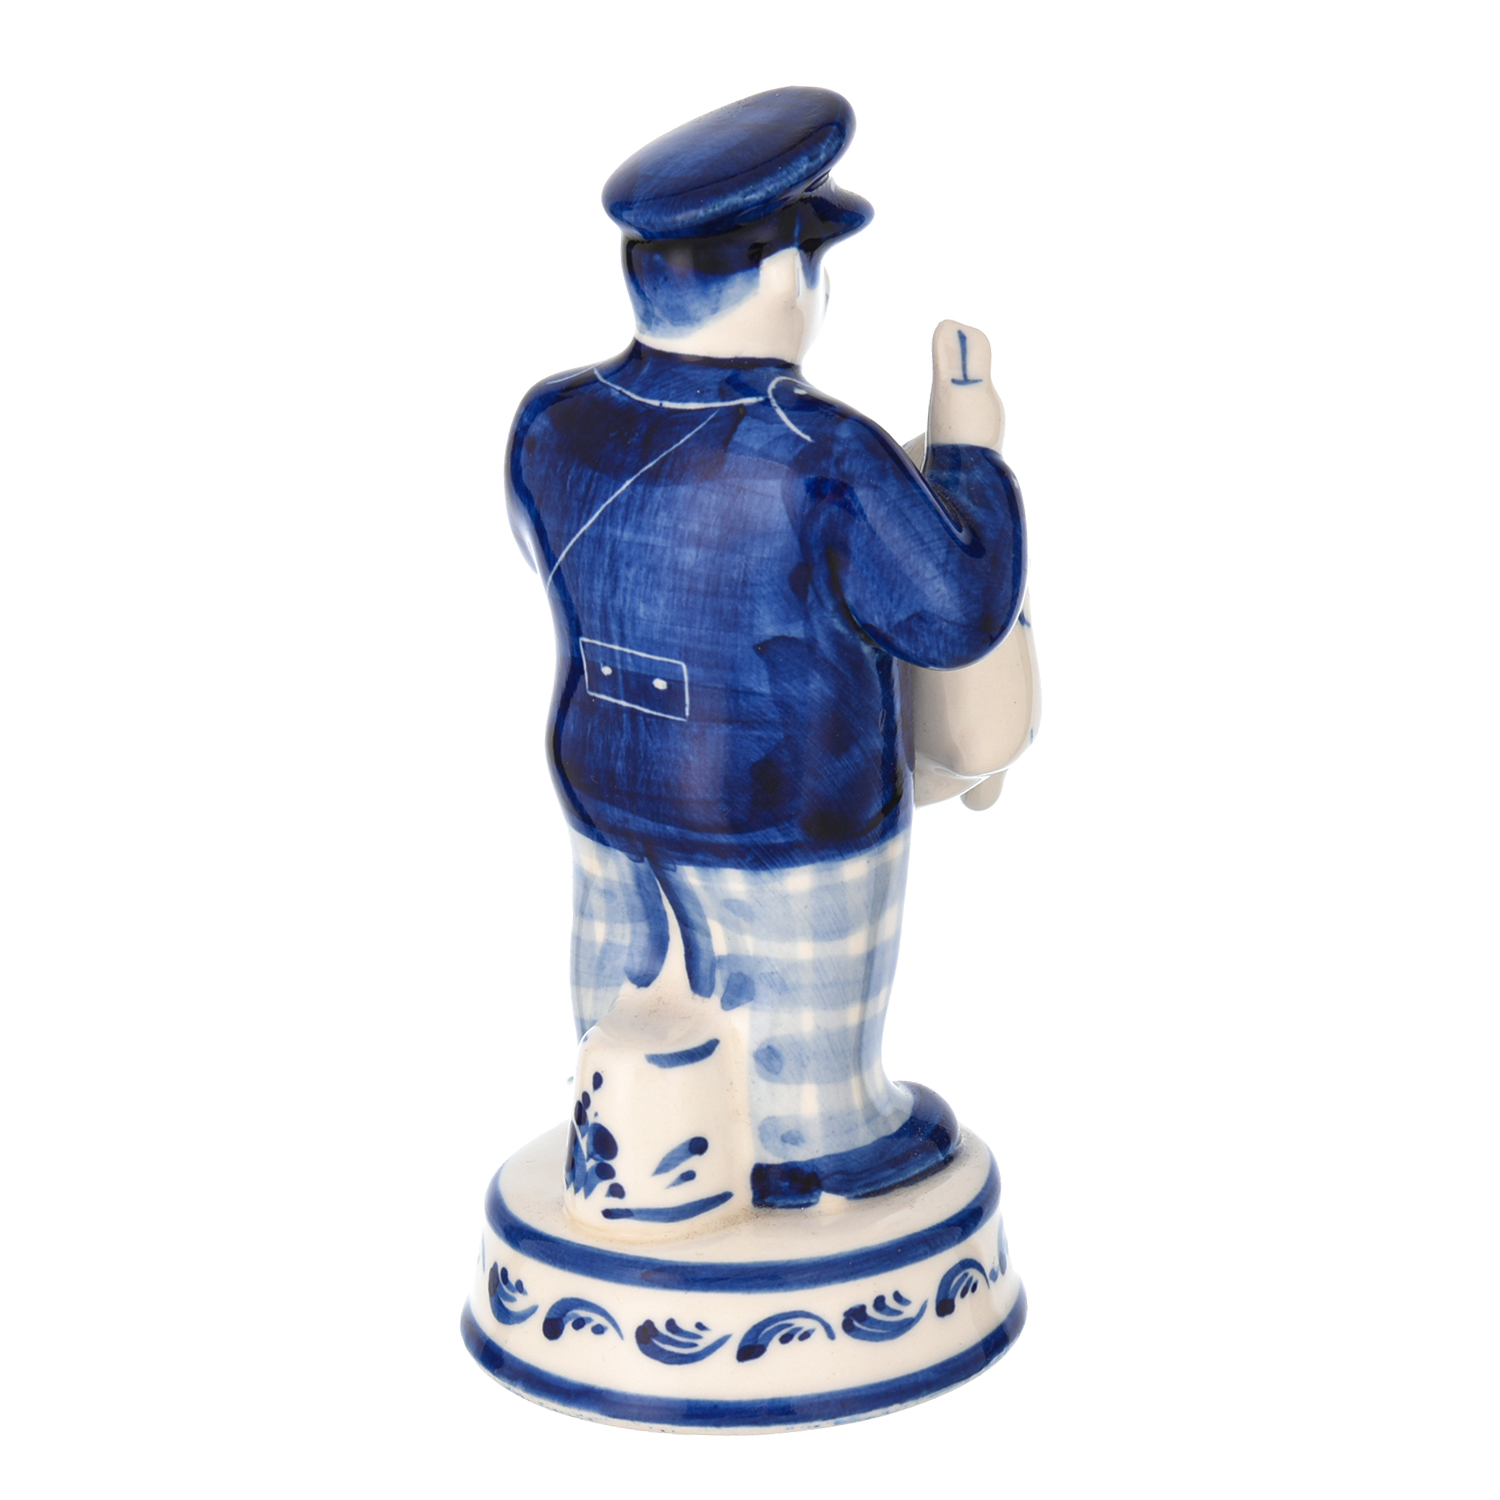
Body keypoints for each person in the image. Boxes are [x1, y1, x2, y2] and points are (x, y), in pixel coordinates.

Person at [505, 88, 1027, 1212]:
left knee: (621, 992)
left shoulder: (549, 424)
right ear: (789, 277)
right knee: (799, 1046)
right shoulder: (819, 450)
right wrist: (969, 457)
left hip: (604, 788)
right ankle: (819, 1143)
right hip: (790, 812)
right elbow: (957, 614)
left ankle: (626, 1137)